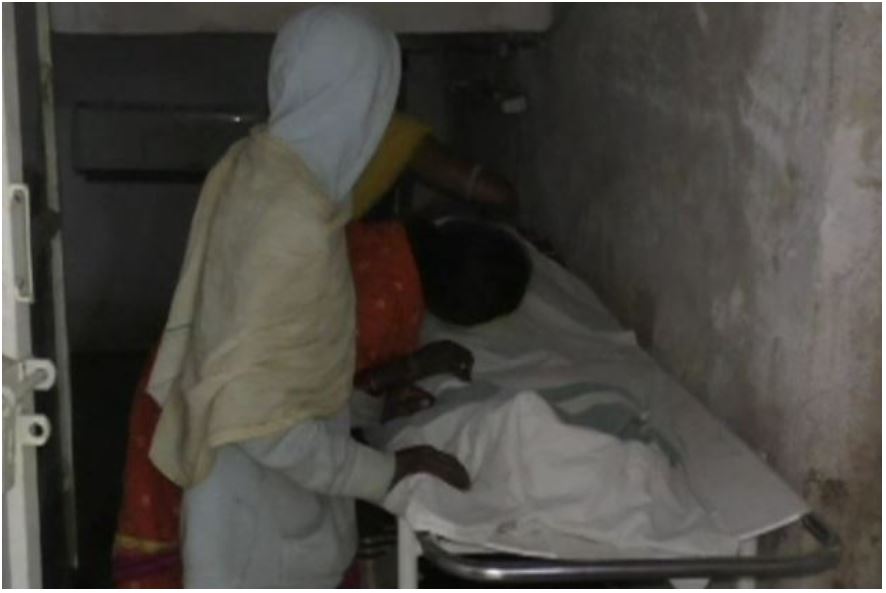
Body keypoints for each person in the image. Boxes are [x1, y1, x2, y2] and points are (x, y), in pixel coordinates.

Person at [112, 6, 529, 589]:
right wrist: (387, 470)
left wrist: (364, 407)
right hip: (258, 531)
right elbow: (261, 422)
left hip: (252, 499)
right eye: (377, 98)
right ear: (355, 101)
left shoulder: (261, 170)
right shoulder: (294, 227)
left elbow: (281, 369)